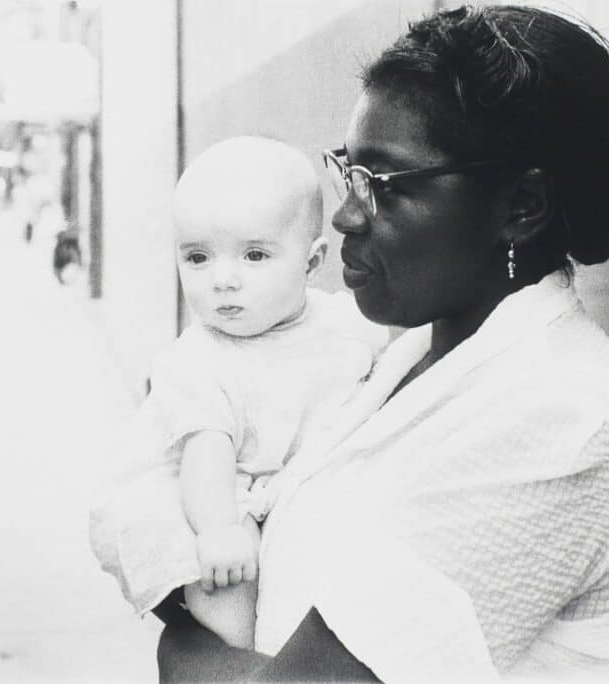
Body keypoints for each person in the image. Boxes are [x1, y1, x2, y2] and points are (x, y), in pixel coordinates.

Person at [151, 5, 609, 681]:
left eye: (383, 185)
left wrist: (181, 644)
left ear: (521, 208)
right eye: (347, 171)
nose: (344, 215)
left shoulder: (562, 423)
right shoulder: (412, 355)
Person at [89, 137, 388, 649]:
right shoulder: (198, 360)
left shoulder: (343, 325)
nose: (223, 280)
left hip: (307, 482)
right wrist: (218, 529)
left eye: (254, 255)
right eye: (198, 257)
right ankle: (241, 657)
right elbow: (207, 453)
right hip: (227, 493)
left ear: (312, 263)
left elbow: (373, 384)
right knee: (226, 580)